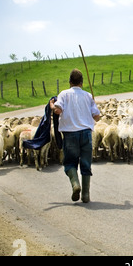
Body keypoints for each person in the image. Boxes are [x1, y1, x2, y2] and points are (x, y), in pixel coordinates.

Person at [50, 69, 101, 203]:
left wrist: (51, 105)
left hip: (70, 135)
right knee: (86, 164)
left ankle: (75, 185)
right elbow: (97, 117)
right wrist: (93, 106)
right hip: (86, 134)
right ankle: (85, 195)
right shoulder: (88, 96)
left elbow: (57, 110)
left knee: (70, 162)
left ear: (70, 82)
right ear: (82, 83)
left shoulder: (64, 94)